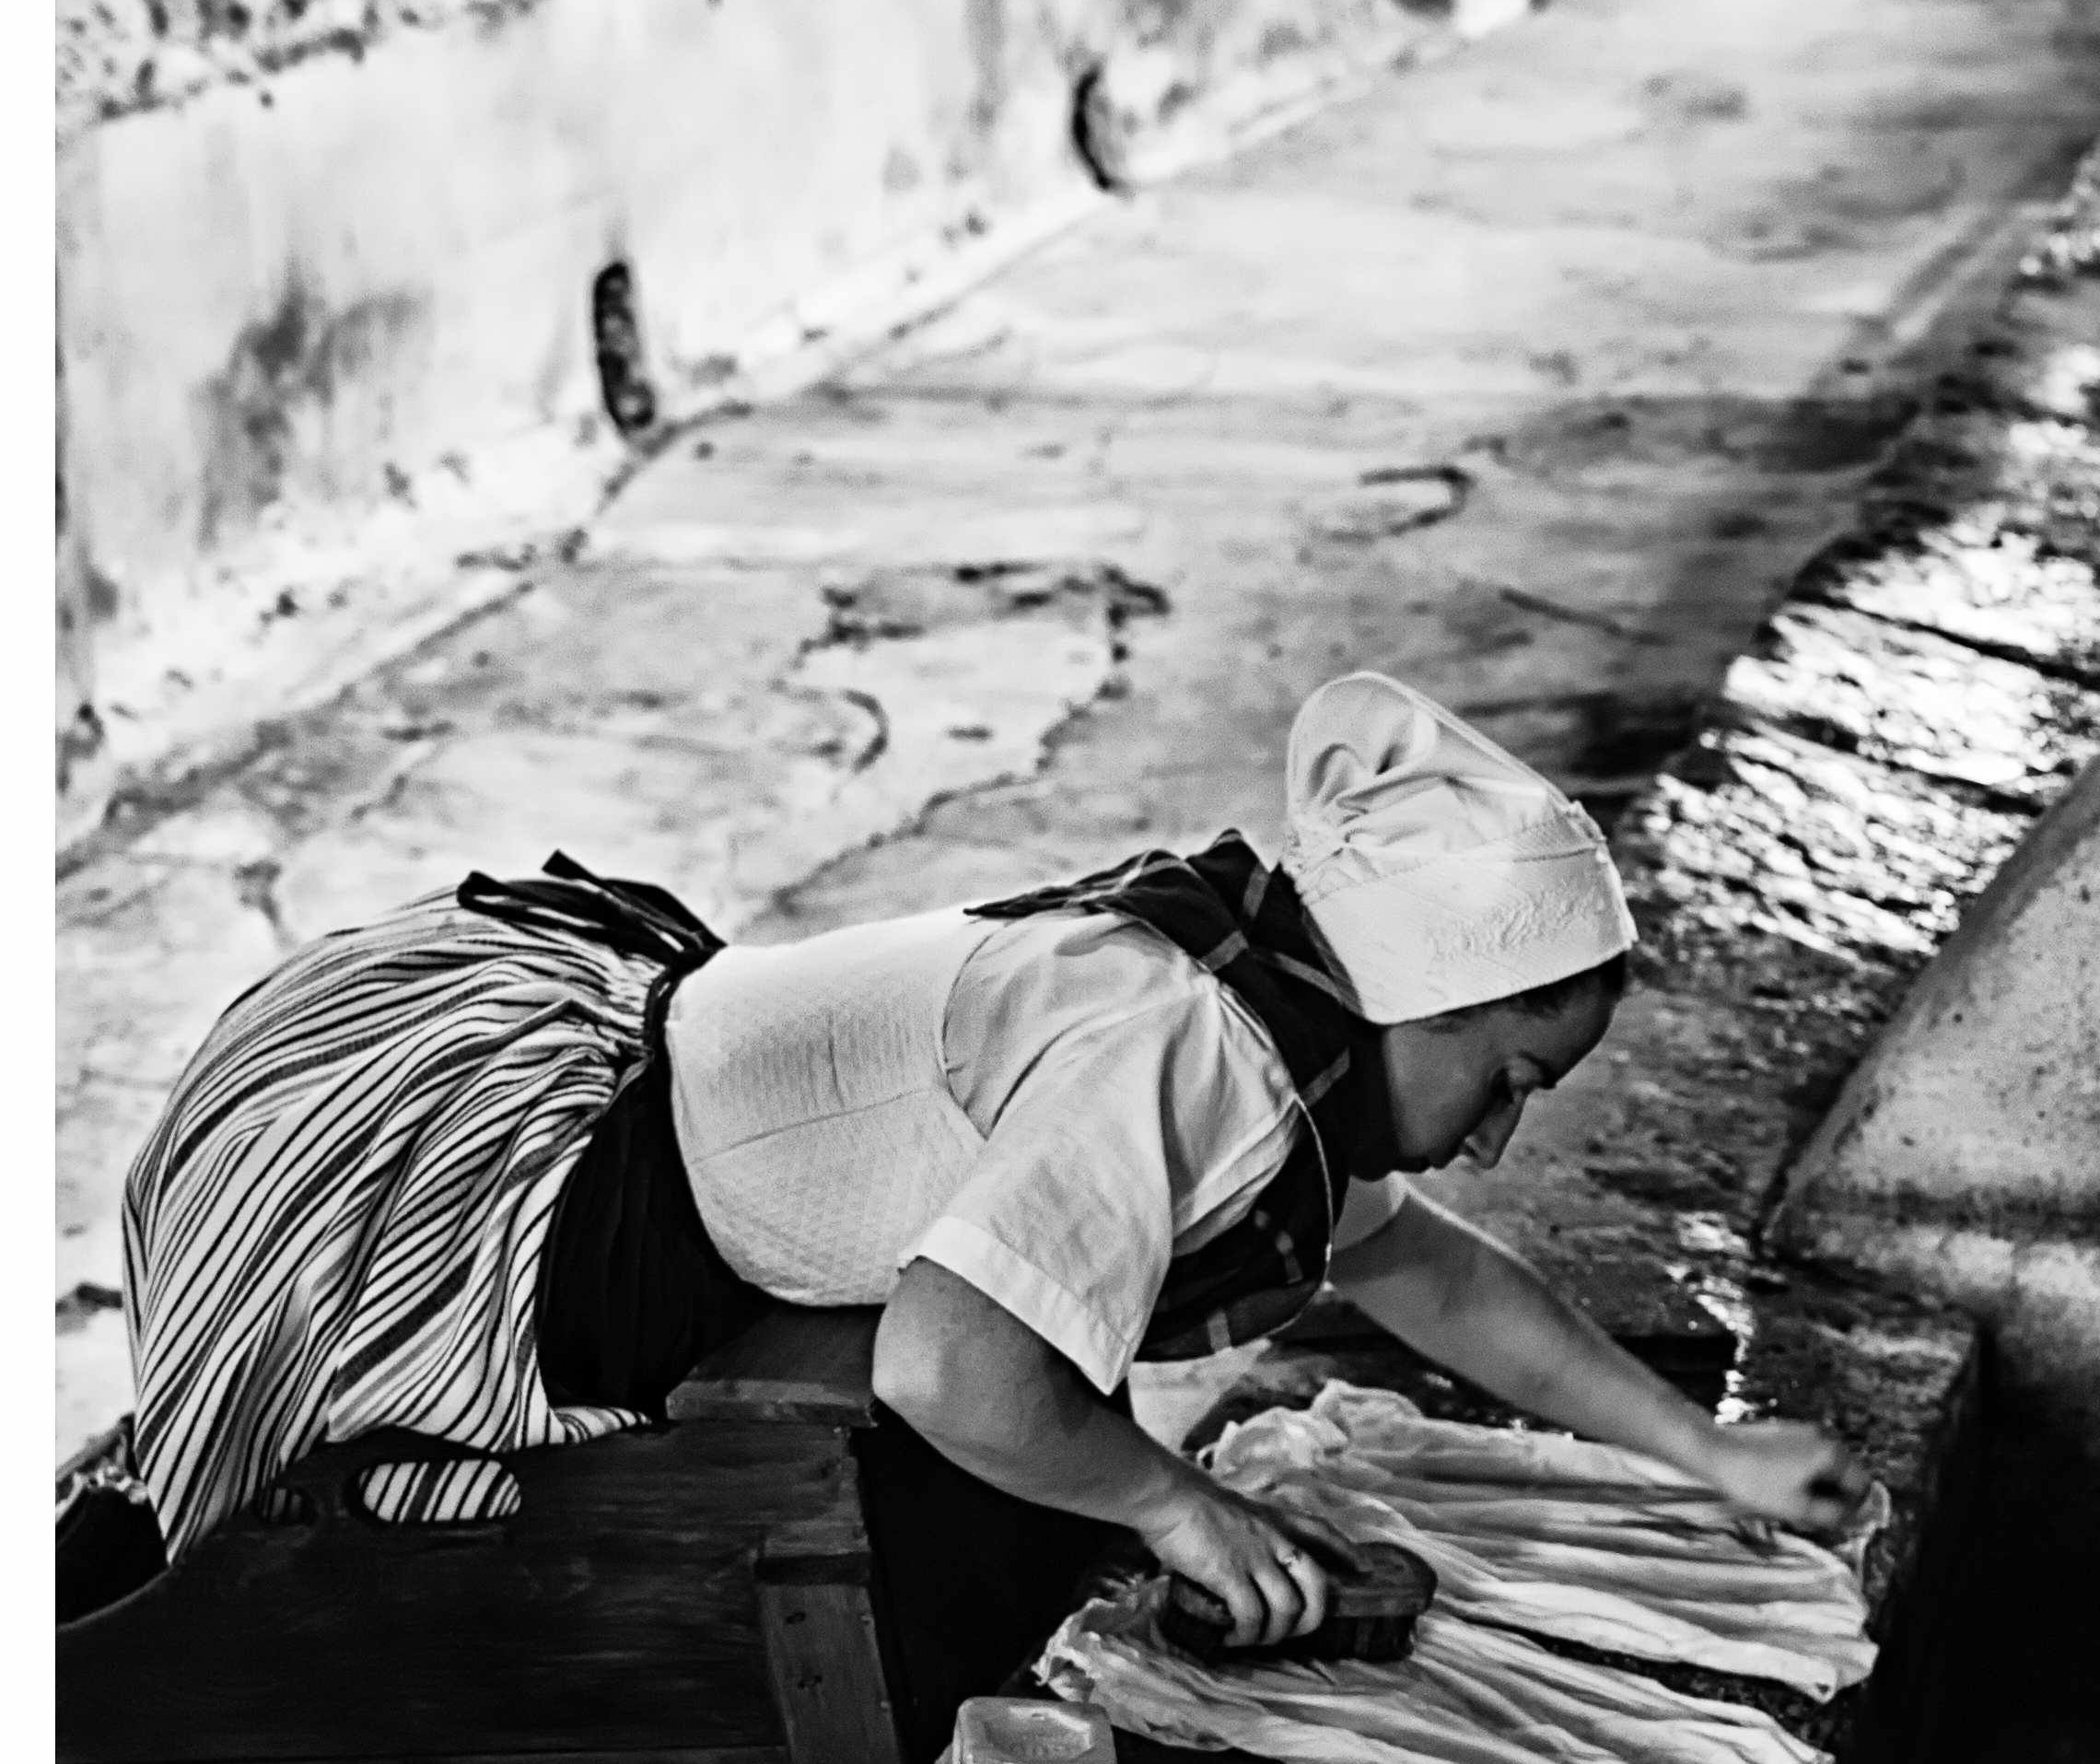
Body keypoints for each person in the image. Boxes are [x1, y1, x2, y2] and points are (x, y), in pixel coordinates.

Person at [63, 673, 1872, 1643]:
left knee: (1038, 1393)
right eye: (1509, 1074)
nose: (1500, 1127)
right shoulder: (1200, 1051)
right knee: (1006, 1402)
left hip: (575, 1073)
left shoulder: (1280, 998)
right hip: (468, 1170)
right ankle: (125, 1596)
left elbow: (1433, 1274)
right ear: (1419, 993)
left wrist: (1696, 1451)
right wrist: (1176, 1504)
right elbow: (954, 1362)